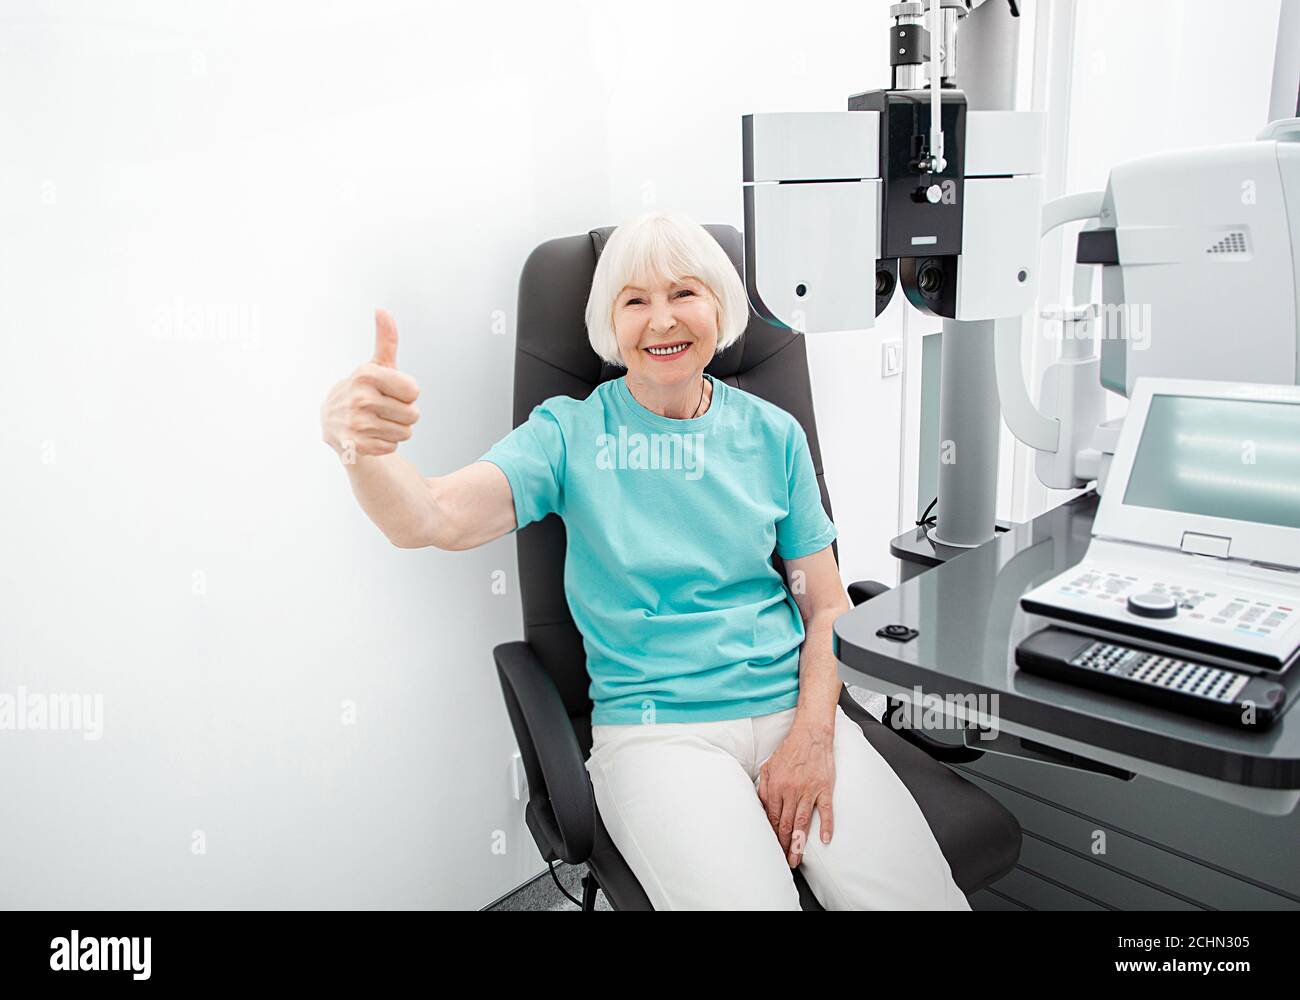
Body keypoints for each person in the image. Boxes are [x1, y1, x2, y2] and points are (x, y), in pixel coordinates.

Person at [319, 210, 969, 910]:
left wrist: (813, 733)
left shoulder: (772, 436)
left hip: (794, 711)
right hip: (661, 735)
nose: (662, 320)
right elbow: (431, 517)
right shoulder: (568, 436)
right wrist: (365, 452)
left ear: (718, 309)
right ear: (610, 325)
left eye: (684, 293)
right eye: (635, 300)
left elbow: (826, 603)